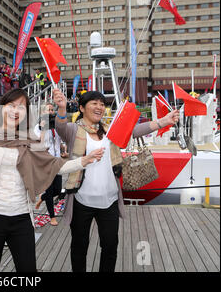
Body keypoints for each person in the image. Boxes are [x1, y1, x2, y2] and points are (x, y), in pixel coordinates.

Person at [0, 88, 104, 272]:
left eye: (21, 107)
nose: (15, 110)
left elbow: (54, 165)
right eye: (11, 105)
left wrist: (83, 161)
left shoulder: (30, 139)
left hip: (21, 218)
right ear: (2, 107)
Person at [53, 89, 179, 272]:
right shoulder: (74, 130)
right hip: (81, 201)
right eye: (94, 103)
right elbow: (60, 127)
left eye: (102, 104)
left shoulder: (109, 130)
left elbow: (134, 131)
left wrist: (163, 121)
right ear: (81, 107)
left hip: (109, 200)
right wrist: (62, 108)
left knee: (110, 246)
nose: (99, 107)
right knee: (79, 247)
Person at [34, 103, 63, 226]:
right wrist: (43, 128)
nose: (50, 111)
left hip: (57, 160)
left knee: (58, 189)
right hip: (45, 161)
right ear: (42, 113)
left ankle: (43, 197)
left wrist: (64, 151)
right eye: (48, 110)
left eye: (52, 110)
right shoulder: (37, 127)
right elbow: (38, 144)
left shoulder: (56, 126)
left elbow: (60, 142)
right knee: (50, 190)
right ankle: (52, 216)